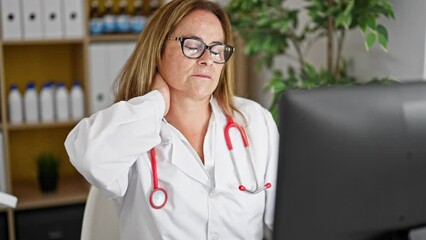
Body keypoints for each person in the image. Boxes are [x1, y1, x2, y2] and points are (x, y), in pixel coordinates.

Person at [65, 0, 279, 239]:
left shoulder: (255, 121)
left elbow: (285, 221)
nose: (208, 59)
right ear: (158, 51)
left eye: (217, 48)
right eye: (193, 45)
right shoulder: (132, 129)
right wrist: (155, 102)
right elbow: (90, 156)